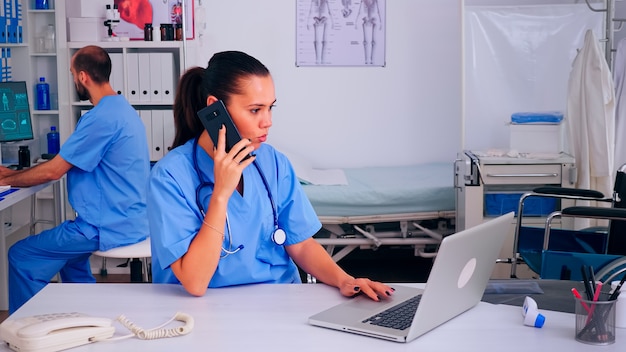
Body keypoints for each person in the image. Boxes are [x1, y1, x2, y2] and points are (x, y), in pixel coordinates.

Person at [148, 51, 394, 301]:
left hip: (279, 303)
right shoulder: (169, 177)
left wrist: (345, 280)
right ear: (215, 109)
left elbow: (300, 244)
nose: (268, 122)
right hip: (206, 310)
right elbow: (196, 282)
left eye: (270, 107)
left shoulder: (273, 162)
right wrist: (221, 195)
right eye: (255, 110)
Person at [2, 45, 150, 313]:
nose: (73, 81)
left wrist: (7, 180)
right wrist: (12, 175)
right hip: (126, 219)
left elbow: (53, 171)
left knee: (21, 255)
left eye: (72, 75)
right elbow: (63, 163)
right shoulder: (121, 109)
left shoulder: (101, 118)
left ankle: (28, 328)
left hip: (105, 226)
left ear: (83, 77)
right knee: (71, 261)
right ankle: (85, 319)